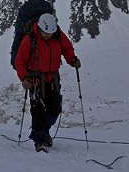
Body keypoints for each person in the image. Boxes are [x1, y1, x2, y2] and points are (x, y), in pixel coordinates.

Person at [14, 13, 81, 152]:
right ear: (39, 27)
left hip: (52, 79)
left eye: (50, 33)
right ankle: (40, 140)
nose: (48, 36)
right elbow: (20, 61)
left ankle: (43, 133)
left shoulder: (57, 34)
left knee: (55, 108)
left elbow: (67, 48)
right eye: (46, 33)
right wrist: (24, 78)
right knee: (37, 111)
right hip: (36, 80)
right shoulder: (29, 39)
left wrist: (72, 59)